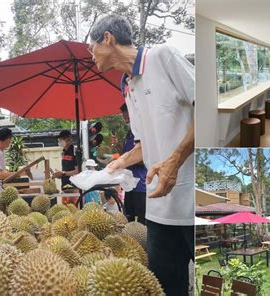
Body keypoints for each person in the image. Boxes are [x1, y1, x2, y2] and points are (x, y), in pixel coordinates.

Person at [88, 15, 195, 295]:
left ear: (108, 39)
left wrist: (175, 160)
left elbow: (208, 107)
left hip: (192, 203)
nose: (91, 57)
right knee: (165, 288)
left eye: (92, 48)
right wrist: (119, 163)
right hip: (158, 209)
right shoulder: (128, 87)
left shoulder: (163, 57)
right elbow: (145, 144)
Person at [113, 103, 147, 224]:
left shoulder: (142, 133)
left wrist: (126, 162)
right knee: (129, 218)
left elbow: (143, 159)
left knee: (142, 220)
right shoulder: (129, 135)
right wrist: (117, 145)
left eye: (127, 117)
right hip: (129, 184)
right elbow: (125, 155)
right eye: (124, 117)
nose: (126, 120)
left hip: (141, 185)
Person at [0, 128, 31, 195]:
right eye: (10, 139)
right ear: (7, 139)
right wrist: (19, 174)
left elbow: (1, 173)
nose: (10, 142)